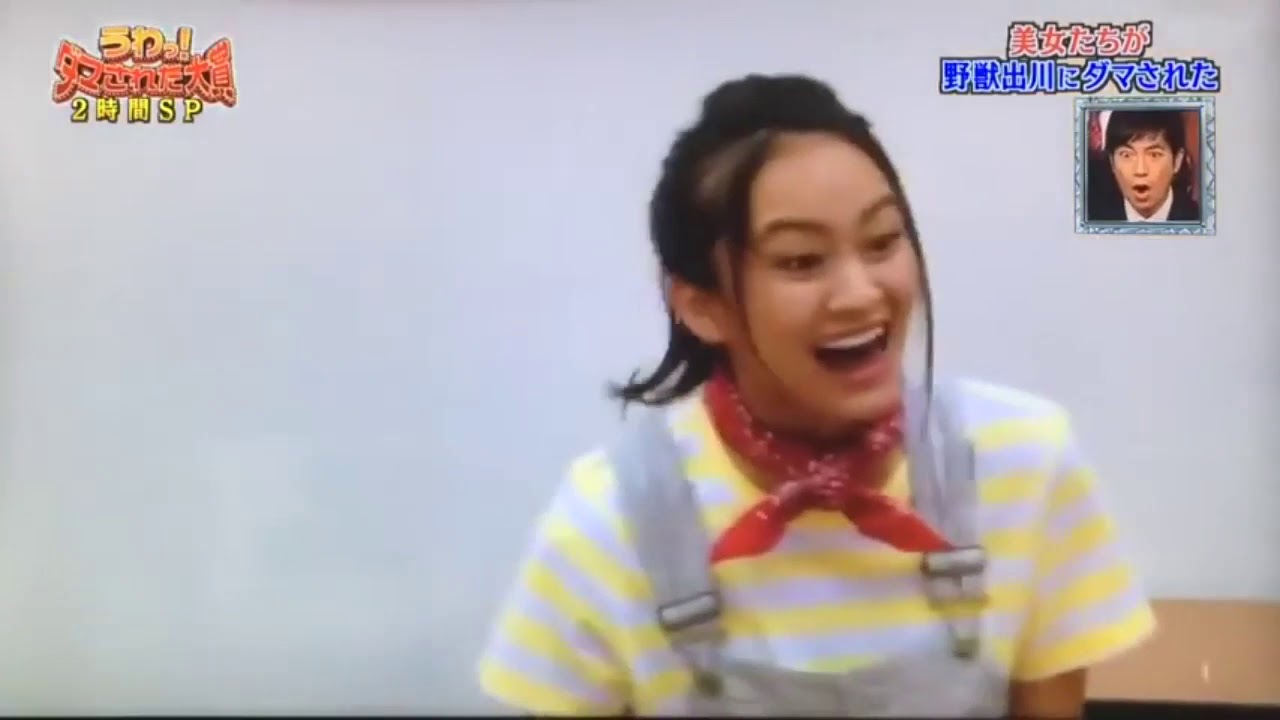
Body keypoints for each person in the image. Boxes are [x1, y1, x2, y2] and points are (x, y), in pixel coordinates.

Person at [476, 74, 1155, 717]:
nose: (861, 294)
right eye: (801, 260)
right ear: (701, 306)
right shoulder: (607, 521)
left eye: (883, 241)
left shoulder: (1025, 462)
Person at [1086, 109, 1200, 223]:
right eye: (1127, 155)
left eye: (1154, 155)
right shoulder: (1090, 219)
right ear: (1112, 162)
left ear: (1177, 161)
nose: (1140, 170)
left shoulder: (1200, 220)